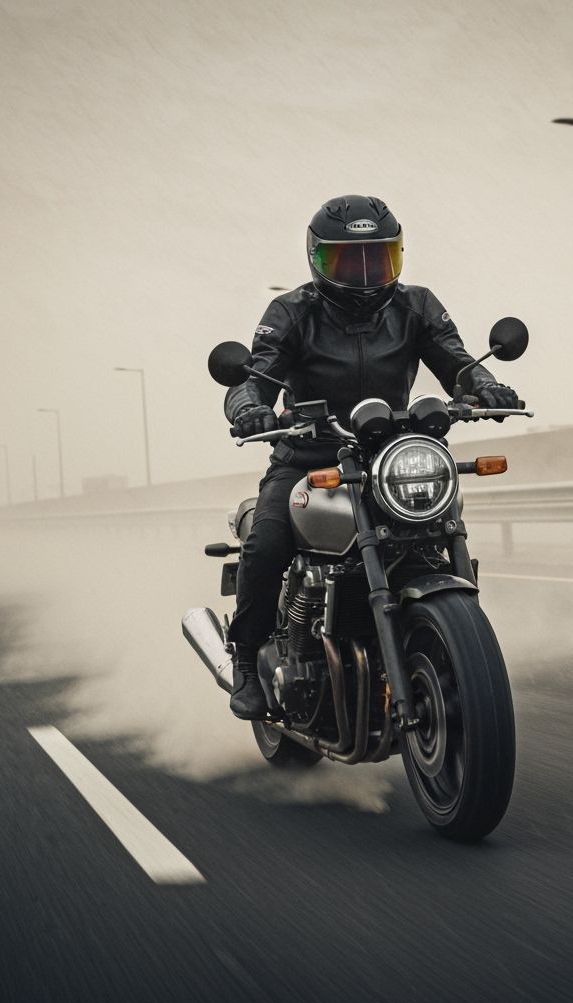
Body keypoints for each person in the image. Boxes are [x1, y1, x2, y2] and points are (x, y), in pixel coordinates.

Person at [223, 194, 520, 719]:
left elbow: (457, 362)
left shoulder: (416, 306)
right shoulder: (291, 311)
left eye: (376, 258)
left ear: (396, 255)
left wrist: (485, 384)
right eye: (347, 260)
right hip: (309, 458)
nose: (364, 274)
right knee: (266, 543)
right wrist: (251, 409)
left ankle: (452, 647)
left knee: (439, 526)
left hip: (390, 456)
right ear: (317, 258)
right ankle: (246, 658)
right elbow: (254, 378)